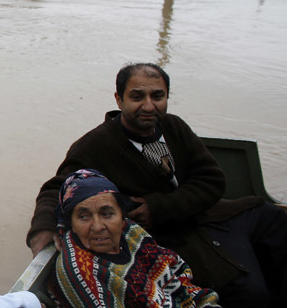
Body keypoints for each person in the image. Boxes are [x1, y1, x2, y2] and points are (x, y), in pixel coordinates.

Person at [27, 63, 287, 308]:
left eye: (157, 96)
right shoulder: (97, 145)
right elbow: (57, 189)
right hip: (166, 236)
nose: (148, 106)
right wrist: (43, 231)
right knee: (247, 288)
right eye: (137, 97)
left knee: (271, 217)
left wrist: (160, 206)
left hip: (203, 215)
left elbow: (212, 179)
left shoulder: (174, 126)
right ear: (119, 99)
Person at [50, 168, 221, 308]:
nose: (97, 226)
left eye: (107, 214)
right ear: (71, 224)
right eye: (83, 217)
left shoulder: (130, 232)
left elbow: (174, 270)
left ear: (122, 217)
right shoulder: (80, 271)